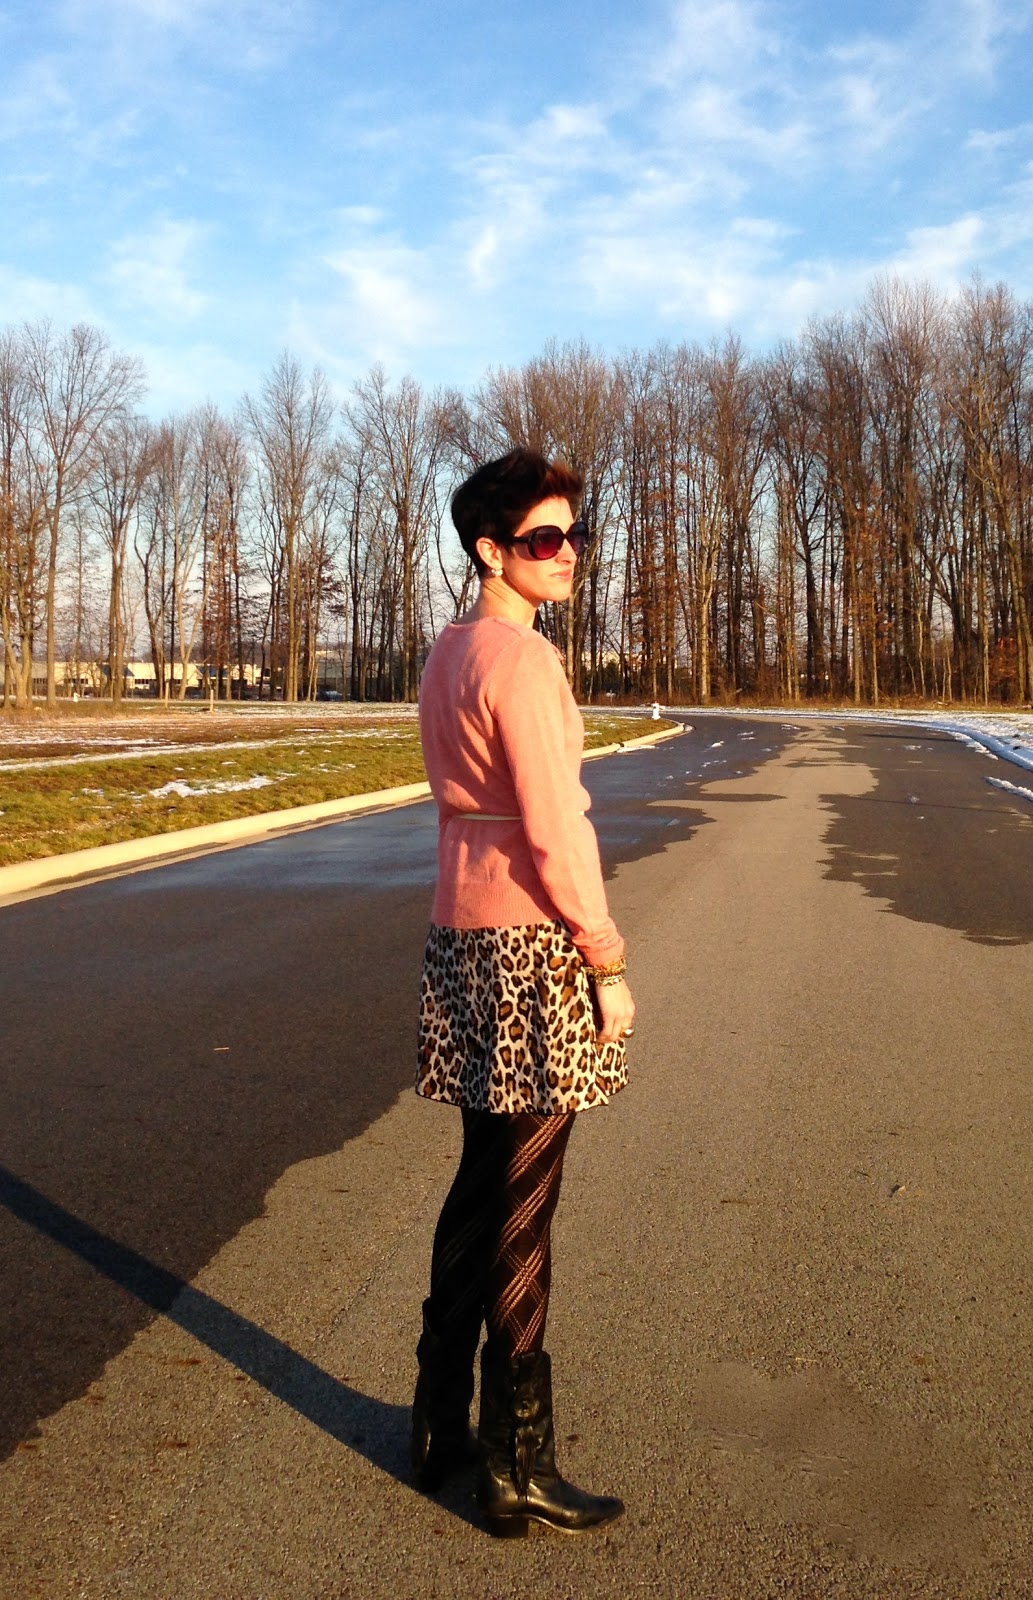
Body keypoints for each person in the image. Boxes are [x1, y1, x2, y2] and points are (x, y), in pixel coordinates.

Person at [412, 447, 636, 1538]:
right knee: (526, 1204)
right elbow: (555, 827)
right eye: (544, 539)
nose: (567, 554)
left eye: (573, 535)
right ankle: (516, 1461)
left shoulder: (448, 652)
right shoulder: (524, 661)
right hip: (532, 948)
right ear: (490, 550)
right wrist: (605, 959)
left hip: (460, 937)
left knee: (478, 1180)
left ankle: (437, 1424)